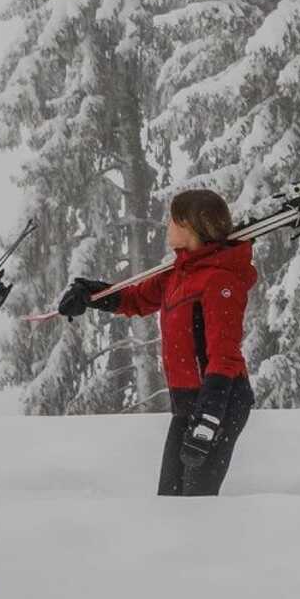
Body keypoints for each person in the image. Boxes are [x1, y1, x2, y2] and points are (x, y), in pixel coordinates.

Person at [58, 188, 256, 496]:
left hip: (221, 400)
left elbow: (224, 354)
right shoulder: (177, 274)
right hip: (188, 403)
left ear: (191, 226)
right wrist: (91, 294)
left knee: (197, 505)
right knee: (171, 501)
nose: (167, 226)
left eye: (172, 220)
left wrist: (208, 417)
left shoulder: (219, 279)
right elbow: (136, 299)